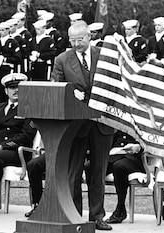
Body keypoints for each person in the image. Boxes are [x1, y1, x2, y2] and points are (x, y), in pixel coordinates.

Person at [50, 20, 115, 231]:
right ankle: (74, 215)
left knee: (98, 172)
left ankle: (97, 216)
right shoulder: (62, 60)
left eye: (80, 40)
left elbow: (115, 85)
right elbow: (55, 88)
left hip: (101, 123)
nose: (77, 44)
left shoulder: (104, 56)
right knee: (73, 172)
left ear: (89, 37)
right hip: (74, 127)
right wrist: (70, 92)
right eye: (73, 40)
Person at [0, 73, 36, 215]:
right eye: (12, 88)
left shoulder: (29, 108)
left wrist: (1, 147)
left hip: (16, 152)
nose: (16, 90)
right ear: (6, 91)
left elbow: (25, 136)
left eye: (19, 87)